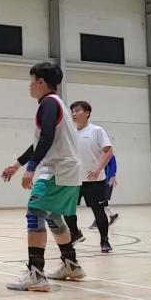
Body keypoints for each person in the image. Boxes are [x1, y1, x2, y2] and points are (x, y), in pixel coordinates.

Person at [1, 61, 85, 292]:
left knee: (35, 213)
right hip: (69, 171)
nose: (30, 86)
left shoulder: (48, 103)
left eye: (32, 81)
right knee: (53, 216)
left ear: (40, 82)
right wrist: (17, 164)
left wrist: (31, 168)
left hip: (56, 170)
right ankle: (71, 264)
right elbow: (41, 141)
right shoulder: (58, 104)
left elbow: (46, 136)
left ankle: (36, 274)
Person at [63, 101, 114, 253]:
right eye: (72, 111)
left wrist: (98, 169)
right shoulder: (70, 133)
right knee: (67, 211)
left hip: (94, 180)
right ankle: (75, 233)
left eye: (77, 111)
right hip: (74, 180)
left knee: (98, 211)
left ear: (87, 113)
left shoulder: (97, 131)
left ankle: (104, 241)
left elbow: (108, 151)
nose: (73, 114)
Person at [91, 154, 119, 228]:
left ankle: (98, 221)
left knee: (100, 201)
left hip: (106, 181)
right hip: (99, 180)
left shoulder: (109, 154)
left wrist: (112, 177)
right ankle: (112, 215)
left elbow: (113, 166)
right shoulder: (97, 154)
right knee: (100, 201)